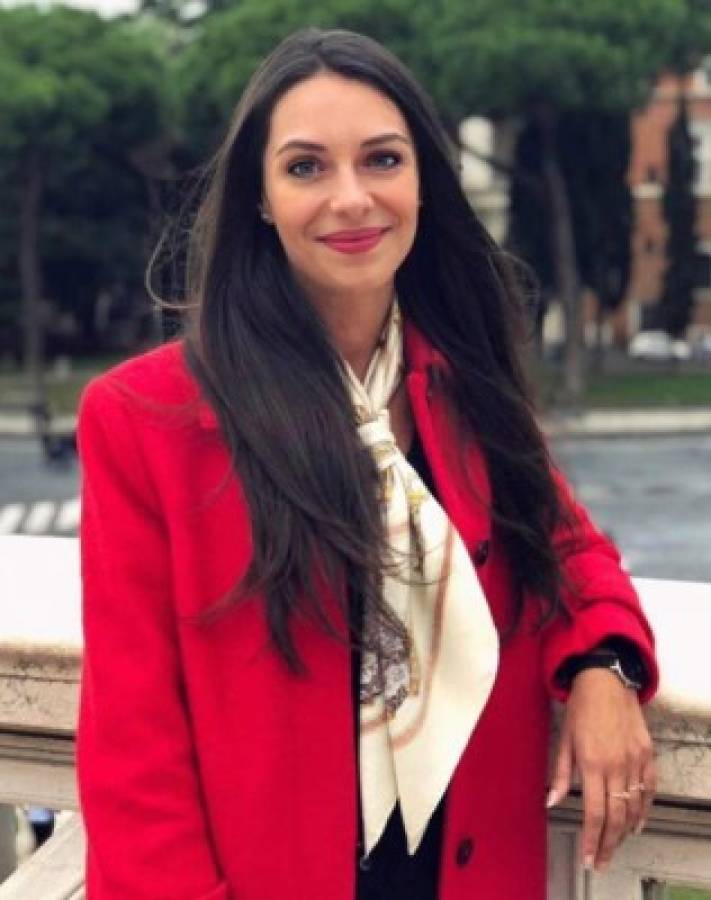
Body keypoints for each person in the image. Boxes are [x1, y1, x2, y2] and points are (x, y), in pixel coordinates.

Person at [77, 27, 658, 900]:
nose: (350, 198)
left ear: (422, 181)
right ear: (261, 198)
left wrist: (602, 670)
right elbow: (132, 745)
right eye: (305, 167)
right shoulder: (147, 420)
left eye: (382, 159)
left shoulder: (463, 387)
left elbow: (571, 551)